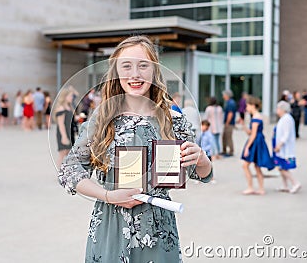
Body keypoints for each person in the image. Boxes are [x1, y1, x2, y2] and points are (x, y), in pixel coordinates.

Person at [57, 36, 212, 262]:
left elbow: (202, 174)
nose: (135, 74)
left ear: (155, 71)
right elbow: (70, 169)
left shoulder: (173, 119)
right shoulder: (101, 119)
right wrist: (108, 195)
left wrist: (203, 160)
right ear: (116, 72)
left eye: (143, 65)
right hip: (111, 227)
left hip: (160, 231)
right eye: (126, 66)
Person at [241, 96, 274, 195]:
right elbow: (251, 133)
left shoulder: (255, 117)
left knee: (246, 165)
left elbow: (253, 134)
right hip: (258, 142)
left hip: (255, 142)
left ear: (253, 105)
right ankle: (260, 188)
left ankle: (251, 187)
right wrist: (244, 126)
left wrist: (247, 147)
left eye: (247, 105)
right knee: (256, 166)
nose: (246, 108)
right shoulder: (257, 116)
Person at [273, 101, 301, 194]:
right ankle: (285, 185)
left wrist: (280, 145)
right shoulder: (284, 118)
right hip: (281, 147)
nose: (277, 110)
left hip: (284, 148)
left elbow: (286, 134)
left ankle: (295, 183)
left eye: (278, 108)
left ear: (282, 109)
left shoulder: (287, 119)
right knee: (282, 167)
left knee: (283, 168)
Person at [55, 89, 74, 166]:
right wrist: (64, 136)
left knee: (69, 154)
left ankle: (66, 173)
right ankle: (59, 173)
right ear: (65, 97)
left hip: (69, 132)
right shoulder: (61, 108)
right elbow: (61, 124)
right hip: (63, 133)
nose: (72, 97)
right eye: (70, 96)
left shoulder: (69, 106)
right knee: (62, 154)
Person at [221, 89, 237, 156]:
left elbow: (230, 114)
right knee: (224, 137)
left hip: (229, 124)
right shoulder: (228, 102)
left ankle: (231, 152)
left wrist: (227, 123)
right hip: (228, 123)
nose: (223, 96)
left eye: (224, 95)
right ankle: (224, 150)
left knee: (228, 137)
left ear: (227, 95)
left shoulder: (231, 103)